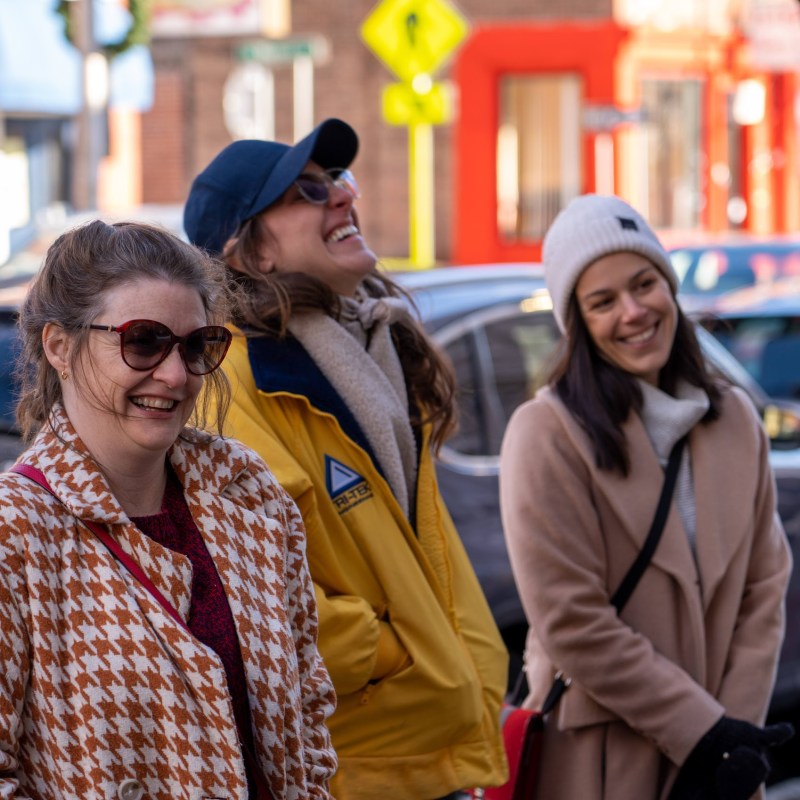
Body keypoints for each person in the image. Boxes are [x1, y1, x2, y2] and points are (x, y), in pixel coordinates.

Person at [183, 118, 508, 800]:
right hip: (357, 771)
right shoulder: (235, 387)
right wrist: (390, 653)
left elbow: (425, 560)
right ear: (250, 252)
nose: (340, 196)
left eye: (338, 181)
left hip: (431, 757)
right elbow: (246, 599)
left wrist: (464, 666)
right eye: (307, 190)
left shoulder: (368, 350)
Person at [0, 220, 337, 800]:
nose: (176, 374)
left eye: (196, 345)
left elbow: (307, 713)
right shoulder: (16, 532)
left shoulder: (247, 492)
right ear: (59, 345)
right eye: (144, 341)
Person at [499, 194, 794, 800]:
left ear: (669, 285)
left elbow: (764, 586)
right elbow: (571, 620)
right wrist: (703, 732)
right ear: (578, 322)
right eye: (603, 301)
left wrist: (733, 740)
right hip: (600, 762)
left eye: (644, 284)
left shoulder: (733, 416)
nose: (633, 312)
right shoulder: (546, 433)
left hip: (720, 759)